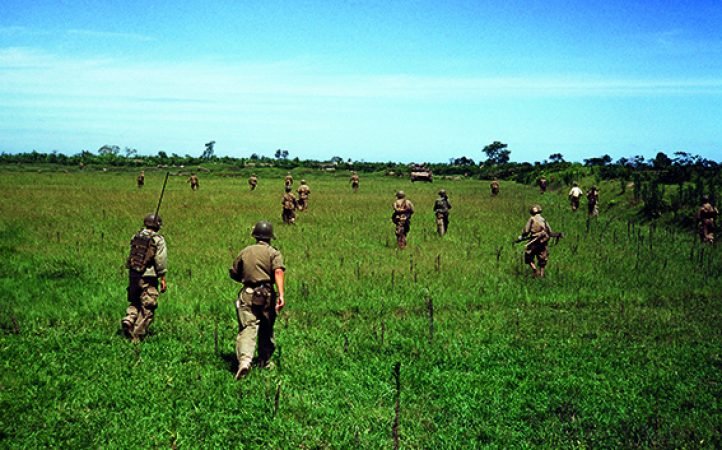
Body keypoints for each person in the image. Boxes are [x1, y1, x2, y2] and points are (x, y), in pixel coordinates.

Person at [229, 221, 286, 379]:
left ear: (255, 235)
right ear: (270, 237)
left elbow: (234, 272)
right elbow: (279, 272)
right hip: (267, 294)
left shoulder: (245, 252)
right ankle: (264, 360)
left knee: (248, 327)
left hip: (248, 292)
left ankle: (245, 362)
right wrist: (281, 295)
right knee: (267, 328)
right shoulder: (273, 253)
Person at [122, 214, 168, 341]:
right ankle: (137, 335)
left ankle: (129, 318)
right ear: (157, 225)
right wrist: (162, 277)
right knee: (148, 305)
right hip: (149, 276)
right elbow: (160, 260)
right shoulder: (158, 239)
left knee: (135, 300)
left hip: (133, 274)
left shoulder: (136, 236)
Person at [518, 205, 553, 278]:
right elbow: (550, 231)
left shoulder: (532, 219)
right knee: (542, 257)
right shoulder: (543, 219)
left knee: (528, 255)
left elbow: (526, 231)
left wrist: (522, 236)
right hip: (543, 240)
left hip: (534, 240)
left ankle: (534, 270)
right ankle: (541, 274)